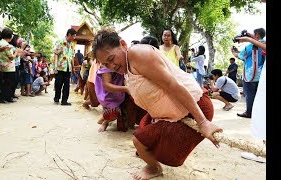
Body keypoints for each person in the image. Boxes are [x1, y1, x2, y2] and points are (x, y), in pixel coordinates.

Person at [92, 28, 222, 179]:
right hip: (170, 113)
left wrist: (203, 122)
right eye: (106, 64)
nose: (112, 66)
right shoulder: (127, 67)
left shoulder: (139, 55)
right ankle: (153, 162)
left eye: (112, 59)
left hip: (194, 109)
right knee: (142, 134)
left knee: (139, 141)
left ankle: (154, 168)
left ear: (123, 44)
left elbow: (174, 86)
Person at [231, 28, 265, 118]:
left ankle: (249, 112)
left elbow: (240, 56)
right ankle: (258, 112)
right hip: (261, 75)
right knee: (258, 95)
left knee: (249, 94)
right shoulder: (264, 43)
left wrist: (233, 52)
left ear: (257, 34)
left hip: (250, 75)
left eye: (253, 34)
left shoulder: (249, 46)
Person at [95, 66, 128, 132]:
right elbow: (107, 85)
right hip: (109, 96)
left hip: (118, 93)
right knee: (113, 112)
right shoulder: (106, 66)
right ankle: (105, 122)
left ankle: (104, 120)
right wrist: (126, 89)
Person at [53, 28, 77, 105]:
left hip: (68, 68)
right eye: (73, 36)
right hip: (60, 67)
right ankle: (57, 97)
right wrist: (55, 67)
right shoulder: (60, 42)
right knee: (58, 84)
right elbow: (56, 54)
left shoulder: (71, 45)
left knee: (67, 85)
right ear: (69, 35)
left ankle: (64, 101)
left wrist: (73, 68)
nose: (74, 38)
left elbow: (71, 57)